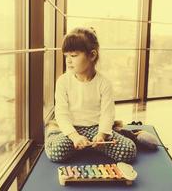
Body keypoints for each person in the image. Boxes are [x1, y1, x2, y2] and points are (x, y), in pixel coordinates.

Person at [44, 27, 137, 163]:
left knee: (129, 151)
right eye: (66, 56)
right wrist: (74, 136)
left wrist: (101, 136)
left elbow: (107, 114)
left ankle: (120, 136)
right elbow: (61, 113)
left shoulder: (104, 83)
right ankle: (57, 133)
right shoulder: (63, 81)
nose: (68, 60)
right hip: (72, 129)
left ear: (92, 55)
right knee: (55, 151)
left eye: (74, 56)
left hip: (96, 129)